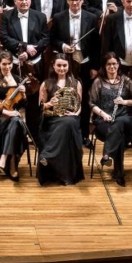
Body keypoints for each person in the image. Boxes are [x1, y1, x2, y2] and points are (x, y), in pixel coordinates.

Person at [36, 55, 85, 186]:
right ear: (53, 66)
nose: (62, 68)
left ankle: (47, 155)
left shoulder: (76, 83)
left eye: (64, 65)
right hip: (52, 119)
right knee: (65, 124)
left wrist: (74, 113)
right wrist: (49, 104)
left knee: (69, 122)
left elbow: (79, 105)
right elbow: (41, 107)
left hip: (71, 118)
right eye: (59, 65)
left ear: (68, 66)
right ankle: (54, 163)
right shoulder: (46, 83)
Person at [89, 53, 132, 186]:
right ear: (104, 66)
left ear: (118, 65)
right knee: (119, 135)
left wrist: (125, 102)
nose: (112, 66)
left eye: (114, 63)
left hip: (124, 118)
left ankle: (106, 154)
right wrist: (103, 114)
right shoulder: (98, 82)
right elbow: (91, 103)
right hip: (104, 121)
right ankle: (119, 173)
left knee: (120, 122)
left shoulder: (126, 81)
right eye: (109, 64)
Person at [0, 52, 30, 182]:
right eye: (4, 64)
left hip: (14, 117)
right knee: (15, 121)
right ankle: (12, 166)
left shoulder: (19, 80)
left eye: (9, 64)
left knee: (15, 122)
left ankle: (4, 159)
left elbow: (24, 105)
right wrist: (7, 113)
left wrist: (24, 94)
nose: (7, 67)